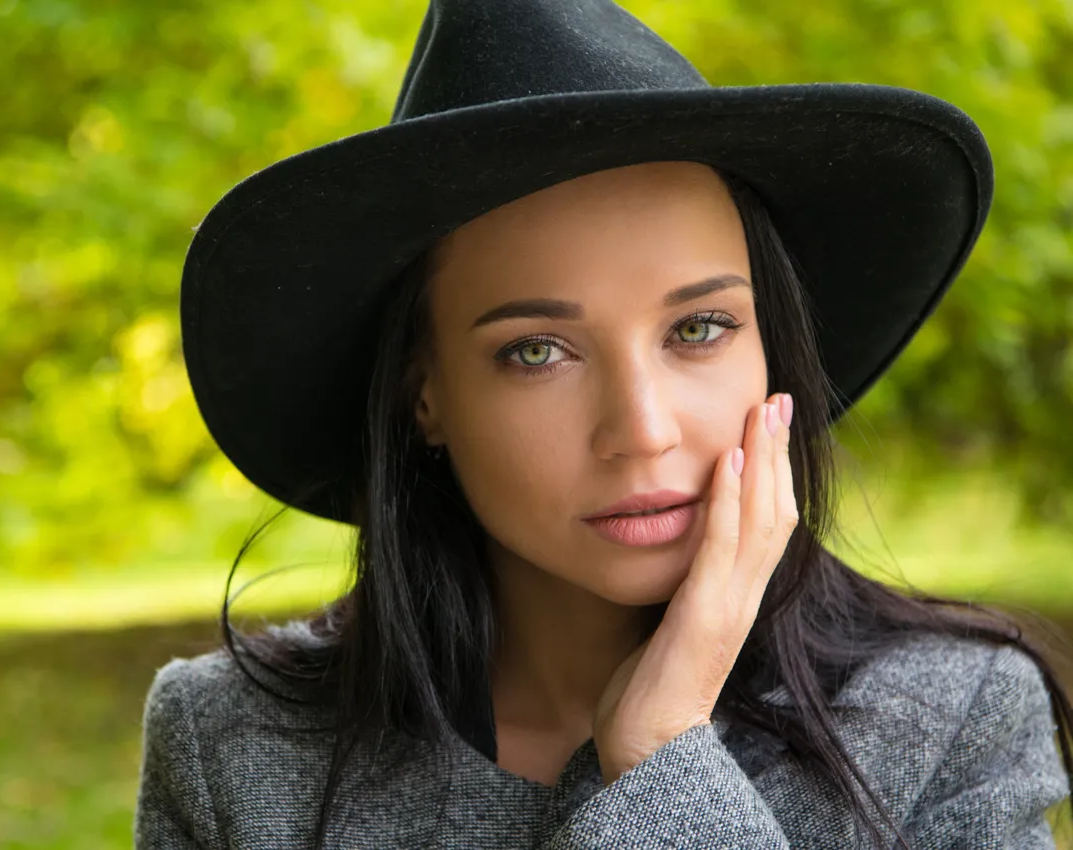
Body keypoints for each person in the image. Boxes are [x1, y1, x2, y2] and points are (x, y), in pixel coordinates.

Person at [135, 0, 1073, 847]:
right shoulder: (232, 744)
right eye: (537, 350)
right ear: (425, 395)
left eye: (699, 329)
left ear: (772, 352)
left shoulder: (952, 718)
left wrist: (663, 759)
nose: (643, 428)